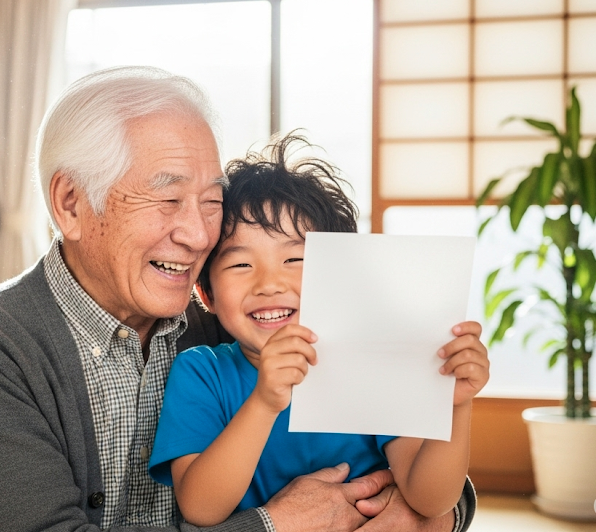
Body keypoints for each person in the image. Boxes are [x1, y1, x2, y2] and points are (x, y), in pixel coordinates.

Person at [0, 66, 477, 532]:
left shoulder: (231, 321)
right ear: (70, 203)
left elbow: (432, 483)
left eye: (210, 202)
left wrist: (416, 512)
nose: (197, 234)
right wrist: (273, 525)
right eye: (167, 199)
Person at [149, 133, 489, 527]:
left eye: (294, 258)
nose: (269, 283)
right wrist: (264, 402)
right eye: (241, 265)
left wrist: (456, 403)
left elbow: (430, 500)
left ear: (339, 276)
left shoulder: (372, 365)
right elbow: (200, 509)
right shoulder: (200, 373)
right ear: (205, 294)